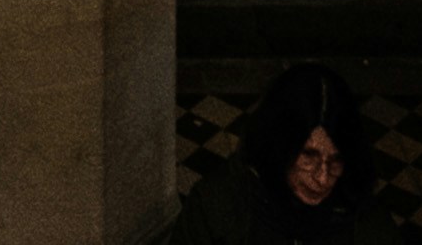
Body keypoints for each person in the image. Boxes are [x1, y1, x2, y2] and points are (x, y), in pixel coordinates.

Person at [171, 64, 401, 238]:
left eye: (336, 160)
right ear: (279, 147)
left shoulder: (364, 220)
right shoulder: (217, 208)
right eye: (308, 156)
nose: (322, 177)